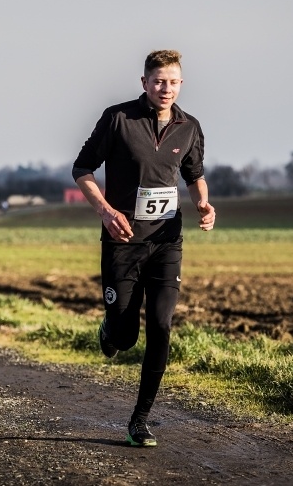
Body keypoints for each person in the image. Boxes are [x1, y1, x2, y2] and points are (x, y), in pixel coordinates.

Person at [72, 50, 216, 447]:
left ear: (181, 84)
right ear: (145, 83)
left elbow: (195, 176)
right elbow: (82, 169)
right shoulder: (118, 118)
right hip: (122, 242)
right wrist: (105, 211)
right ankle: (111, 329)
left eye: (173, 81)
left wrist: (203, 203)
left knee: (161, 325)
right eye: (158, 81)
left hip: (166, 242)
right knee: (124, 337)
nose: (165, 88)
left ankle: (140, 420)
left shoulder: (190, 127)